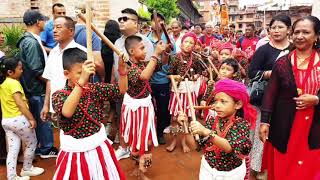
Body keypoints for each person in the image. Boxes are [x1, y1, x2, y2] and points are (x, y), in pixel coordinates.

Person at [51, 47, 127, 180]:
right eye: (80, 73)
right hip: (74, 155)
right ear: (66, 73)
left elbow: (121, 89)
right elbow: (67, 112)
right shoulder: (59, 95)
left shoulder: (94, 89)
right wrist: (82, 81)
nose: (84, 77)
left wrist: (122, 71)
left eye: (86, 73)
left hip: (99, 149)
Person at [259, 16, 320, 180]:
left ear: (316, 36)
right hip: (285, 124)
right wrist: (265, 120)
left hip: (314, 126)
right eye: (297, 32)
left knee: (310, 167)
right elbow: (271, 93)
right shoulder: (282, 63)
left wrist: (316, 99)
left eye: (306, 32)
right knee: (284, 166)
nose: (300, 36)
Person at [248, 15, 292, 180]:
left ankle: (277, 172)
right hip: (263, 102)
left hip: (287, 103)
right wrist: (270, 74)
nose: (276, 30)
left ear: (288, 29)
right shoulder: (264, 49)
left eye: (280, 27)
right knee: (260, 139)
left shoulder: (295, 49)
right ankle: (254, 173)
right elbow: (251, 73)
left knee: (281, 137)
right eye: (273, 27)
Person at [185, 79, 256, 180]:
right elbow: (195, 146)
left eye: (223, 101)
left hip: (231, 174)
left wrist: (206, 132)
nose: (217, 105)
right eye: (216, 101)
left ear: (238, 104)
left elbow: (228, 147)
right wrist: (186, 127)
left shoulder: (242, 124)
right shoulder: (212, 121)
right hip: (208, 169)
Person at [120, 35, 165, 179]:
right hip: (135, 110)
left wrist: (164, 52)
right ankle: (139, 168)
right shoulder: (129, 68)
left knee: (146, 140)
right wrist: (156, 54)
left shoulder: (144, 63)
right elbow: (145, 76)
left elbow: (160, 64)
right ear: (131, 52)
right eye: (142, 48)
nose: (145, 51)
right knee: (137, 140)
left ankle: (141, 169)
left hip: (145, 107)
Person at [17, 10, 59, 159]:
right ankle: (47, 148)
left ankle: (44, 147)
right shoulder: (30, 41)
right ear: (37, 22)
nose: (46, 23)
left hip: (33, 87)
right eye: (44, 20)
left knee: (41, 118)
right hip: (36, 88)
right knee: (43, 118)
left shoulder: (30, 39)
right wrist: (49, 81)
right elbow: (36, 69)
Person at [114, 8, 154, 160]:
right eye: (120, 19)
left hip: (142, 97)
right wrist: (114, 80)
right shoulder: (118, 42)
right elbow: (116, 66)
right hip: (125, 92)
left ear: (135, 23)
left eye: (126, 19)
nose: (122, 21)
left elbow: (147, 68)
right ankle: (125, 148)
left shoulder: (146, 42)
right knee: (124, 123)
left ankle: (139, 156)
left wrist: (157, 56)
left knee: (144, 135)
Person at [42, 16, 87, 138]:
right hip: (58, 105)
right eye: (53, 28)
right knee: (64, 137)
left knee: (79, 138)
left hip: (77, 106)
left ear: (71, 31)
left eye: (59, 27)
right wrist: (47, 105)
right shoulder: (53, 53)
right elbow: (49, 80)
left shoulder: (82, 52)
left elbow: (87, 82)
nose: (54, 31)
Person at [0, 57, 44, 180]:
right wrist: (32, 119)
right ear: (10, 72)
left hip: (6, 121)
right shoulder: (14, 83)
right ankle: (27, 169)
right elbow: (20, 104)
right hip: (18, 119)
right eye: (20, 69)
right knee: (31, 142)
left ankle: (12, 176)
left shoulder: (3, 83)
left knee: (13, 149)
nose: (22, 71)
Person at [167, 32, 206, 153]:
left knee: (188, 118)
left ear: (194, 45)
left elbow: (201, 71)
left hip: (190, 91)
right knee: (174, 118)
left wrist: (196, 76)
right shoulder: (174, 57)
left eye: (191, 43)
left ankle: (183, 142)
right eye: (186, 42)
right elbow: (168, 74)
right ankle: (174, 141)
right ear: (181, 43)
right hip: (177, 91)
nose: (188, 45)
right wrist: (175, 77)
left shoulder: (196, 58)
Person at [147, 11, 175, 145]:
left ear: (163, 23)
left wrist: (167, 52)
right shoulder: (145, 39)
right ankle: (149, 132)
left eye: (159, 21)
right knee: (149, 108)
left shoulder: (168, 40)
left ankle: (160, 133)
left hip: (162, 80)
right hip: (147, 80)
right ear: (150, 23)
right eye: (154, 21)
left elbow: (173, 59)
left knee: (163, 109)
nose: (157, 24)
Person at [74, 4, 105, 82]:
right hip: (89, 79)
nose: (94, 16)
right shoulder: (91, 34)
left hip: (73, 78)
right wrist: (103, 76)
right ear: (86, 12)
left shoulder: (69, 32)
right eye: (93, 13)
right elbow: (97, 63)